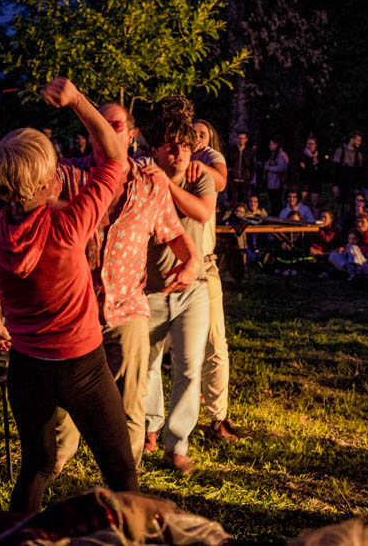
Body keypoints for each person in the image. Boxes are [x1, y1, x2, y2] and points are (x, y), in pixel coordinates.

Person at [0, 78, 141, 513]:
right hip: (82, 368)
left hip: (26, 368)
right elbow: (116, 157)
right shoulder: (68, 227)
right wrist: (77, 100)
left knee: (37, 465)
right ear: (48, 180)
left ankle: (16, 537)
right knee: (122, 474)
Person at [52, 102, 199, 470]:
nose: (105, 131)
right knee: (63, 400)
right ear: (89, 133)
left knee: (131, 402)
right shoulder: (67, 174)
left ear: (132, 136)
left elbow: (175, 233)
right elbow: (32, 203)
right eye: (98, 124)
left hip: (128, 308)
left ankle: (124, 478)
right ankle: (54, 463)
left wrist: (192, 262)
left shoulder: (149, 183)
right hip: (74, 308)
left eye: (114, 125)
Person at [138, 95, 215, 475]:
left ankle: (177, 445)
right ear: (156, 150)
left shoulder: (200, 178)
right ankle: (149, 429)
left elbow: (201, 212)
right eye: (171, 146)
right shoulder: (142, 179)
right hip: (150, 288)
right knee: (148, 365)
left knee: (188, 367)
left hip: (193, 289)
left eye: (185, 145)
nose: (180, 152)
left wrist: (166, 185)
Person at [188, 119, 241, 443]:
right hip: (169, 266)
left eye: (202, 134)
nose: (196, 137)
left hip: (204, 266)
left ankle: (218, 418)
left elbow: (221, 180)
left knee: (215, 343)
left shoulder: (210, 159)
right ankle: (153, 426)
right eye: (192, 132)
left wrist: (200, 165)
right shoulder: (169, 160)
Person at [226, 131, 255, 206]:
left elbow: (252, 166)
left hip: (245, 180)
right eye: (239, 138)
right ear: (236, 139)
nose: (241, 140)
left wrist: (250, 178)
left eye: (243, 138)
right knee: (233, 201)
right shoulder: (231, 150)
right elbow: (227, 163)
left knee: (243, 202)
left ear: (246, 140)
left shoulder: (249, 151)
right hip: (233, 180)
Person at [263, 137, 289, 214]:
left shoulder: (281, 155)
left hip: (277, 184)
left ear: (276, 144)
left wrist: (269, 168)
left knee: (277, 202)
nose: (269, 146)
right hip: (271, 184)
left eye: (271, 144)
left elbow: (282, 167)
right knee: (273, 202)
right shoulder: (274, 154)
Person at [298, 136, 323, 213]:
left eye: (312, 144)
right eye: (308, 144)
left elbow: (321, 170)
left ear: (315, 145)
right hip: (305, 182)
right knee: (303, 202)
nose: (310, 146)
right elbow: (302, 170)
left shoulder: (319, 156)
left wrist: (310, 167)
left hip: (316, 183)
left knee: (315, 203)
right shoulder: (302, 155)